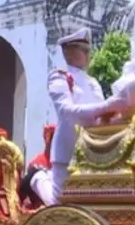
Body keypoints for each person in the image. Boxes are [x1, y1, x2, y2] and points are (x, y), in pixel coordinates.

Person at [46, 28, 127, 204]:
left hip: (93, 151)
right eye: (84, 50)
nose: (88, 55)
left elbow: (101, 117)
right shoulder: (59, 76)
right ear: (68, 51)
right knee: (58, 204)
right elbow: (67, 111)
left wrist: (123, 114)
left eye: (88, 50)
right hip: (68, 150)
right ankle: (38, 179)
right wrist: (107, 105)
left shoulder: (93, 82)